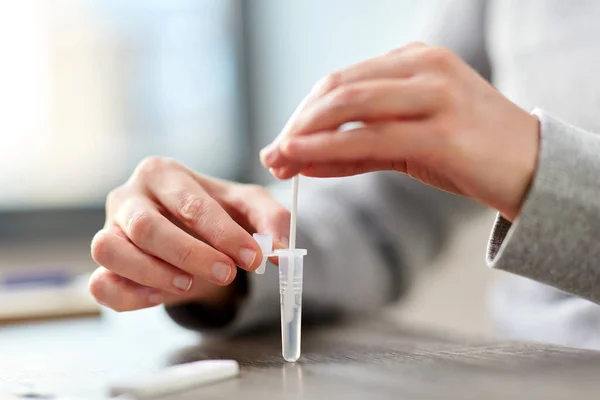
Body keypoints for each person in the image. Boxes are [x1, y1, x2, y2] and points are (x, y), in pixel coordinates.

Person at [90, 0, 600, 348]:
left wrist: (549, 178)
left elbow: (509, 156)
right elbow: (383, 206)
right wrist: (227, 250)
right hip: (532, 374)